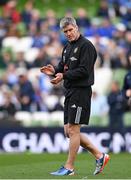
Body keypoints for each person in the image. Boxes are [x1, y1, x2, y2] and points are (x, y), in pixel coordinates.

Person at [40, 17, 110, 176]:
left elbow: (84, 71)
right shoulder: (67, 48)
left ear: (77, 28)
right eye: (65, 32)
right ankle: (100, 156)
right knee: (68, 131)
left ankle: (69, 167)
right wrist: (53, 71)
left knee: (73, 130)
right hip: (70, 92)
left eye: (70, 30)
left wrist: (63, 76)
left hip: (81, 91)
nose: (68, 33)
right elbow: (62, 67)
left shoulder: (86, 46)